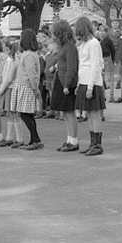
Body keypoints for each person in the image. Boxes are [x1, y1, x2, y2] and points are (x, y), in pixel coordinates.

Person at [74, 17, 106, 156]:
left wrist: (90, 87)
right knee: (89, 114)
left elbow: (95, 66)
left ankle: (97, 144)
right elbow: (82, 65)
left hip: (92, 83)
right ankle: (92, 142)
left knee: (94, 114)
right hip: (84, 81)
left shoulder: (94, 43)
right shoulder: (84, 44)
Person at [50, 20, 80, 152]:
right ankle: (69, 139)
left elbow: (71, 68)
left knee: (70, 112)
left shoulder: (69, 47)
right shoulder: (63, 46)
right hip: (60, 80)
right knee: (65, 113)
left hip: (66, 83)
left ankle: (74, 140)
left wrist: (67, 84)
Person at [0, 40, 22, 147]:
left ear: (7, 49)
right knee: (10, 114)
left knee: (13, 113)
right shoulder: (13, 60)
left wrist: (0, 90)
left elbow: (8, 78)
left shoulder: (12, 61)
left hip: (11, 88)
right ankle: (9, 137)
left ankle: (19, 138)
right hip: (10, 88)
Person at [98, 25, 116, 102]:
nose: (102, 33)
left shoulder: (109, 41)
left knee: (110, 79)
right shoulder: (99, 41)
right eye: (101, 31)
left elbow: (113, 50)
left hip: (107, 58)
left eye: (104, 31)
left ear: (107, 32)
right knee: (101, 78)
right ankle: (103, 95)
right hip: (101, 59)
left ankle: (111, 95)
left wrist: (112, 60)